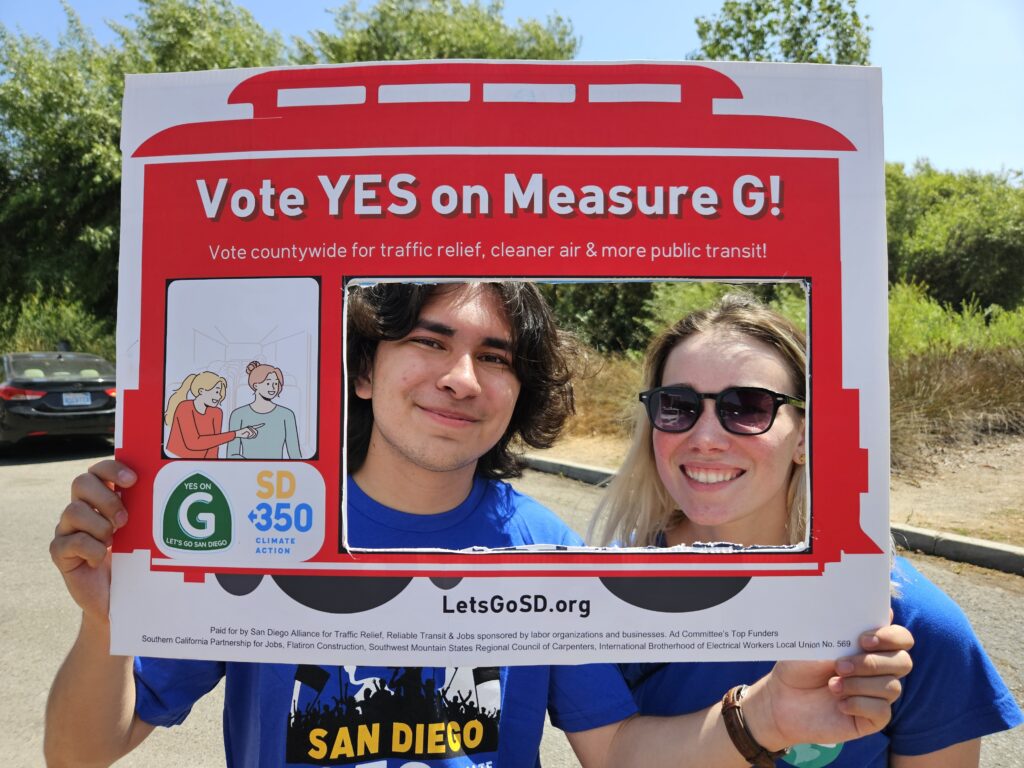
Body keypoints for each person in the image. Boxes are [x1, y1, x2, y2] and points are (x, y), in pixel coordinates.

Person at [47, 282, 912, 768]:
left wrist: (769, 716)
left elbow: (612, 752)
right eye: (429, 342)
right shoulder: (262, 530)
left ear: (518, 393)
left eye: (496, 358)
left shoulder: (545, 551)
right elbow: (79, 755)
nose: (462, 378)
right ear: (359, 373)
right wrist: (104, 626)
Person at [590, 292, 1023, 767]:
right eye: (677, 405)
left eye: (748, 406)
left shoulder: (908, 623)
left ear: (804, 436)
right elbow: (608, 757)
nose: (706, 438)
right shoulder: (602, 596)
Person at [164, 370, 257, 458]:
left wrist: (211, 464)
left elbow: (213, 448)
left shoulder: (216, 412)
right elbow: (193, 443)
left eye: (220, 392)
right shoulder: (184, 407)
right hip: (177, 460)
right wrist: (235, 434)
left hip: (203, 463)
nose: (220, 396)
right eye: (217, 391)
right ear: (201, 391)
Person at [226, 360, 301, 459]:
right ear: (256, 385)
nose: (273, 387)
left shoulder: (287, 415)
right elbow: (232, 454)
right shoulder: (238, 414)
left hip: (277, 472)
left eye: (276, 383)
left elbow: (295, 454)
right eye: (268, 383)